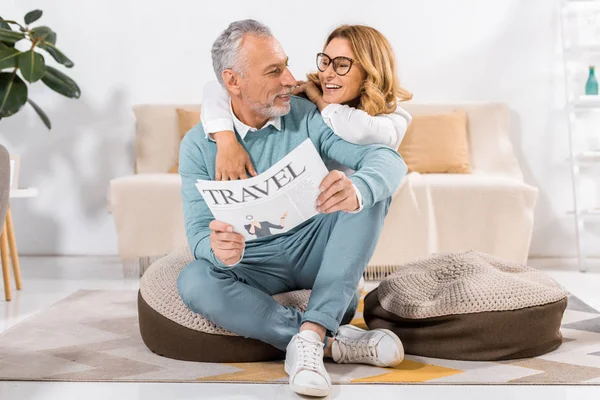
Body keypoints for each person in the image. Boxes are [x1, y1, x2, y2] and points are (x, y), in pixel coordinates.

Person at [177, 19, 408, 398]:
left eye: (286, 64)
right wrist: (217, 250)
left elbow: (386, 160)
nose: (290, 79)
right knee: (194, 281)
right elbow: (199, 231)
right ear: (233, 82)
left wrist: (358, 188)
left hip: (314, 250)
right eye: (273, 71)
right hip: (252, 263)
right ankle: (328, 340)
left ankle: (313, 333)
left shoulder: (304, 115)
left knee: (369, 194)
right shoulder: (198, 146)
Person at [201, 24, 412, 181]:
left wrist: (319, 101)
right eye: (325, 62)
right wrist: (226, 140)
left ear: (370, 70)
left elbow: (362, 131)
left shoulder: (394, 118)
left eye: (341, 65)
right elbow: (217, 89)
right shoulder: (305, 95)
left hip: (345, 214)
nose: (327, 73)